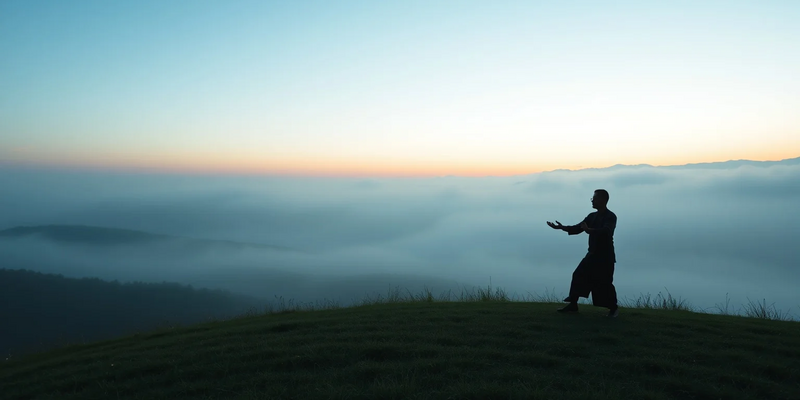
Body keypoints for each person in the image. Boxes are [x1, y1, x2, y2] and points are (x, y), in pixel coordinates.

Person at [547, 189, 619, 317]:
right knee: (578, 274)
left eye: (594, 198)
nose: (592, 200)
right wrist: (561, 227)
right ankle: (573, 304)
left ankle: (613, 308)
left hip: (605, 257)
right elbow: (578, 228)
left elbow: (606, 231)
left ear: (602, 200)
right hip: (592, 255)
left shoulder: (610, 216)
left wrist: (589, 230)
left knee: (605, 283)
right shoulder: (592, 216)